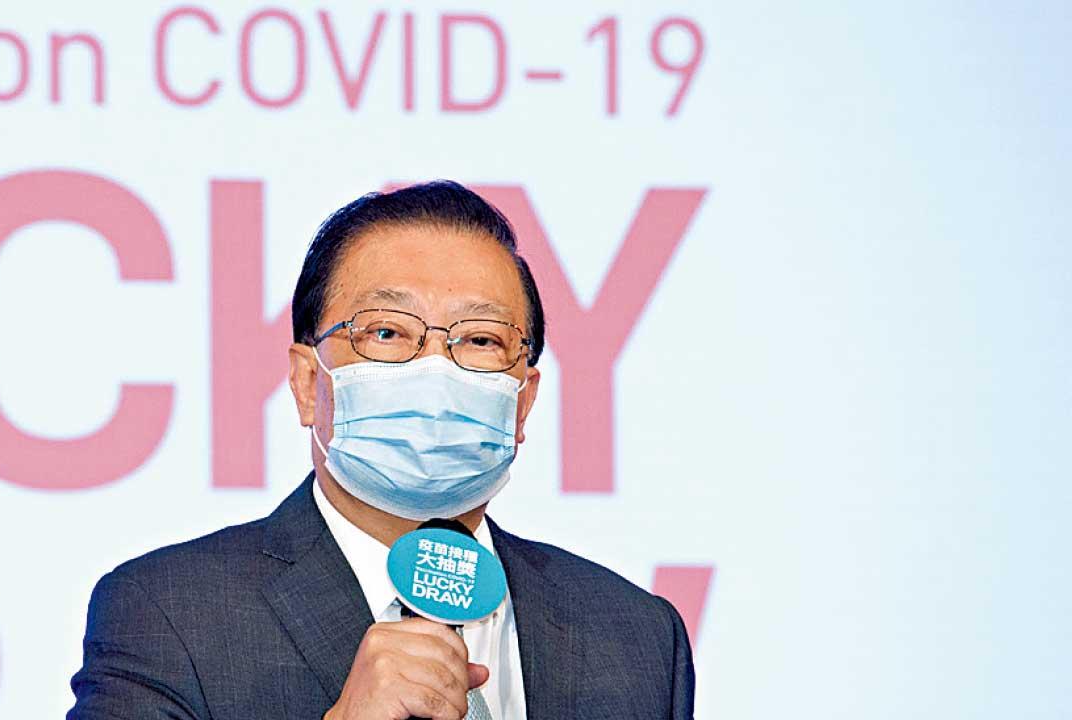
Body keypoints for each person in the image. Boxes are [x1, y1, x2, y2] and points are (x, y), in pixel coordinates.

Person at [67, 181, 695, 720]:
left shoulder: (636, 637)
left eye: (480, 340)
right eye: (388, 332)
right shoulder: (169, 614)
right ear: (308, 383)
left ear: (523, 401)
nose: (435, 371)